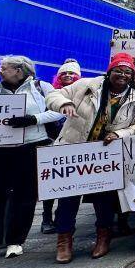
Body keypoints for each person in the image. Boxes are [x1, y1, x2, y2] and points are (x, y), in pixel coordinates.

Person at [45, 53, 135, 263]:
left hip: (105, 157)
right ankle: (64, 241)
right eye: (118, 70)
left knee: (104, 201)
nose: (123, 75)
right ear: (110, 71)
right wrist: (64, 103)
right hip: (73, 151)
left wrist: (119, 134)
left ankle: (103, 238)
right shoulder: (85, 86)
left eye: (128, 72)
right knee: (68, 200)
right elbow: (53, 96)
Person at [0, 56, 61, 264]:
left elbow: (58, 111)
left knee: (25, 196)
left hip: (30, 148)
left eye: (4, 68)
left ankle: (16, 241)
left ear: (18, 70)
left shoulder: (42, 88)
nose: (0, 71)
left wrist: (34, 119)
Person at [37, 59, 81, 234]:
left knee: (72, 186)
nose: (68, 76)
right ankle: (46, 217)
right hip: (51, 142)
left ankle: (62, 218)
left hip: (73, 143)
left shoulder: (83, 95)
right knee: (50, 184)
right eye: (65, 73)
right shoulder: (50, 93)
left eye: (72, 73)